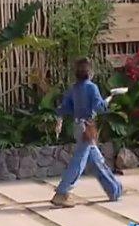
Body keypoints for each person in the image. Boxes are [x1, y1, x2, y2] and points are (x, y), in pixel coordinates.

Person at [50, 58, 124, 208]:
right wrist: (108, 100)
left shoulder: (73, 88)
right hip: (87, 128)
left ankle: (114, 189)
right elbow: (99, 107)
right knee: (78, 161)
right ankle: (62, 192)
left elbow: (65, 108)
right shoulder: (92, 87)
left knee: (97, 161)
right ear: (90, 72)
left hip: (78, 127)